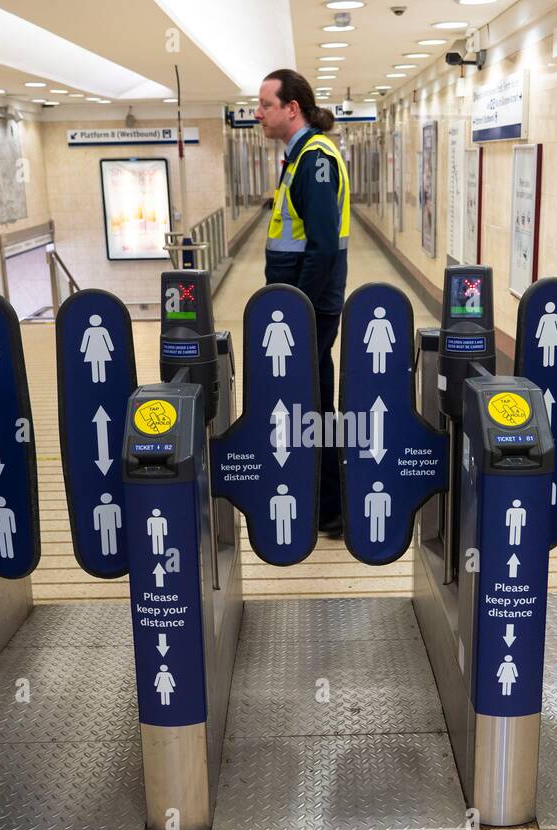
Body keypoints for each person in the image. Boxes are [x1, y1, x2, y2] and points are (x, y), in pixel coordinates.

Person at [257, 68, 350, 537]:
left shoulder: (314, 159)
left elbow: (323, 247)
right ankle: (325, 501)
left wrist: (298, 310)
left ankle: (329, 506)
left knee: (311, 406)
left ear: (291, 108)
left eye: (266, 105)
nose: (258, 114)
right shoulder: (298, 159)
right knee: (311, 402)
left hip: (308, 307)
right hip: (301, 305)